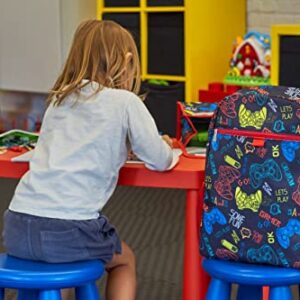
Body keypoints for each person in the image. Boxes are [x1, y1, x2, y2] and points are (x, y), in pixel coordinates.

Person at [2, 20, 177, 300]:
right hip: (67, 230)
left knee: (60, 267)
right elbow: (159, 159)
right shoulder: (125, 102)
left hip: (17, 225)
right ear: (127, 62)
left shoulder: (59, 100)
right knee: (124, 260)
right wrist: (165, 146)